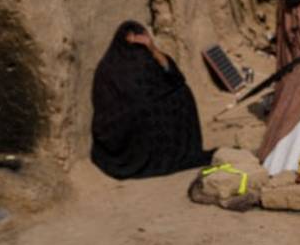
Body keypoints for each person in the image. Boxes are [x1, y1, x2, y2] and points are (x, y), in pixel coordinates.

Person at [90, 20, 213, 180]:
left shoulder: (146, 56)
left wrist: (152, 47)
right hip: (120, 120)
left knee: (182, 94)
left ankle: (174, 151)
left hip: (148, 106)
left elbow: (174, 76)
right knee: (145, 112)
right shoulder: (109, 67)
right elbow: (108, 103)